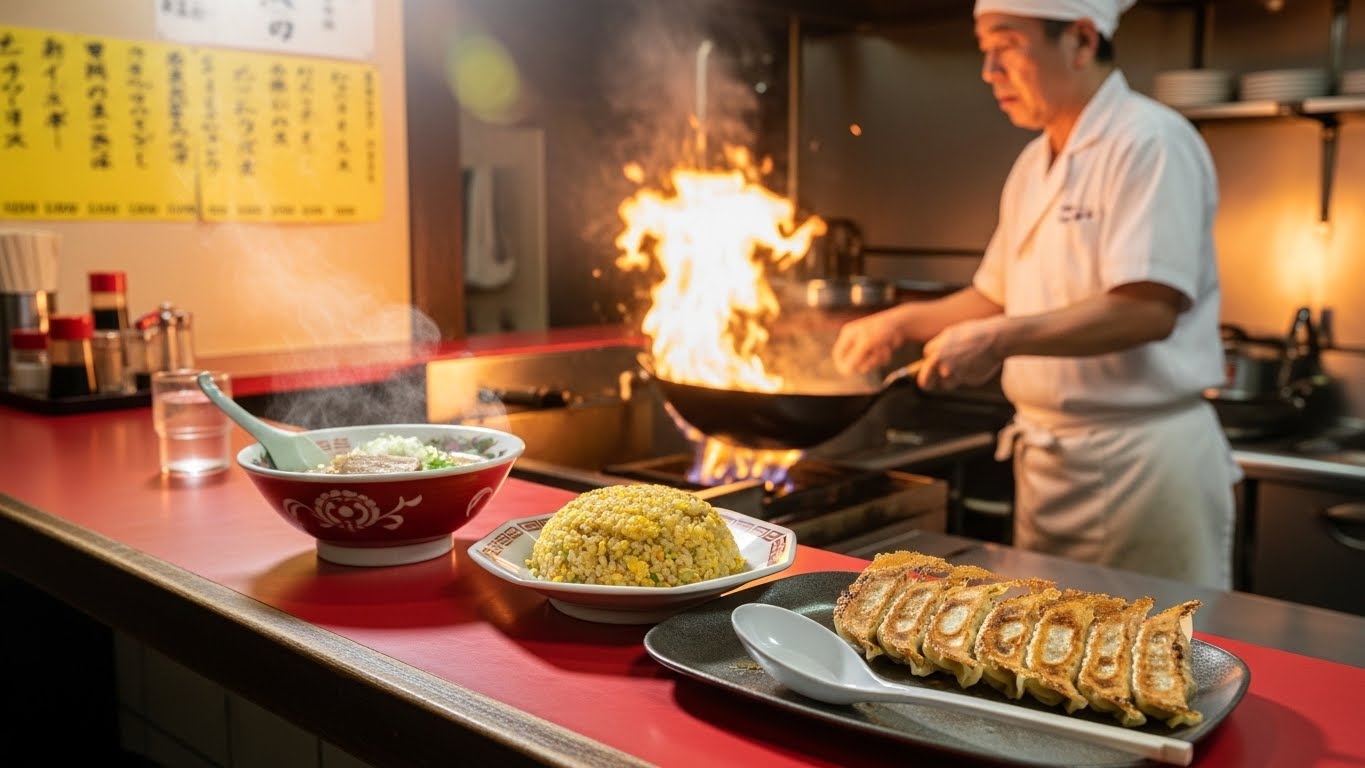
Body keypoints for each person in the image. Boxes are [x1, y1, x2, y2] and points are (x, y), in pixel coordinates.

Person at [832, 0, 1240, 588]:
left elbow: (1147, 309)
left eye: (1007, 45)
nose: (988, 71)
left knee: (1147, 658)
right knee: (1049, 655)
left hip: (1142, 472)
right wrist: (898, 324)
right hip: (1050, 468)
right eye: (984, 50)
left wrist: (997, 341)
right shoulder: (1033, 162)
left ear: (1079, 40)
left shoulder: (1150, 142)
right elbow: (995, 296)